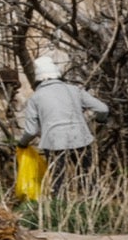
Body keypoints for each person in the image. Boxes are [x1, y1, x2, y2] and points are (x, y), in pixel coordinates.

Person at [18, 55, 109, 197]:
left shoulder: (35, 98)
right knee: (89, 180)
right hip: (81, 139)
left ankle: (59, 211)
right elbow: (103, 109)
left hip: (54, 143)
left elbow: (31, 130)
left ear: (38, 79)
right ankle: (95, 208)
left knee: (58, 184)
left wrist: (22, 144)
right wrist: (101, 120)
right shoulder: (75, 90)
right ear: (58, 75)